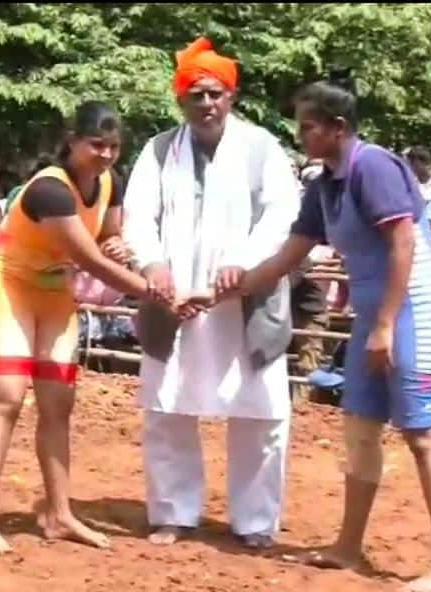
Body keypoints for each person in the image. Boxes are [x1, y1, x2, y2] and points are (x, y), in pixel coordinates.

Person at [227, 75, 431, 592]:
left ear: (337, 128)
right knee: (359, 428)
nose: (300, 134)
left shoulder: (372, 166)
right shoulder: (325, 184)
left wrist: (383, 324)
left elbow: (403, 245)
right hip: (377, 313)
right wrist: (231, 288)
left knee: (423, 436)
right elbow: (293, 253)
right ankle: (348, 545)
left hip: (414, 309)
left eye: (307, 126)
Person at [0, 100, 184, 554]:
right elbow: (89, 259)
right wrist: (154, 292)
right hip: (8, 281)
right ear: (72, 142)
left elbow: (105, 238)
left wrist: (120, 247)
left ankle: (59, 512)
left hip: (53, 290)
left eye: (113, 147)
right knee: (7, 396)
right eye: (96, 145)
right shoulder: (51, 190)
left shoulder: (109, 183)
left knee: (57, 403)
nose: (105, 155)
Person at [123, 37, 298, 549]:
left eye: (215, 93)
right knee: (167, 406)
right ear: (181, 99)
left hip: (244, 296)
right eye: (195, 94)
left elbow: (283, 215)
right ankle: (173, 512)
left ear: (232, 96)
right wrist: (152, 264)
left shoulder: (262, 147)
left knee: (261, 412)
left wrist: (243, 263)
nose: (206, 104)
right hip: (174, 298)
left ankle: (255, 521)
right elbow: (138, 216)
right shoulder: (159, 150)